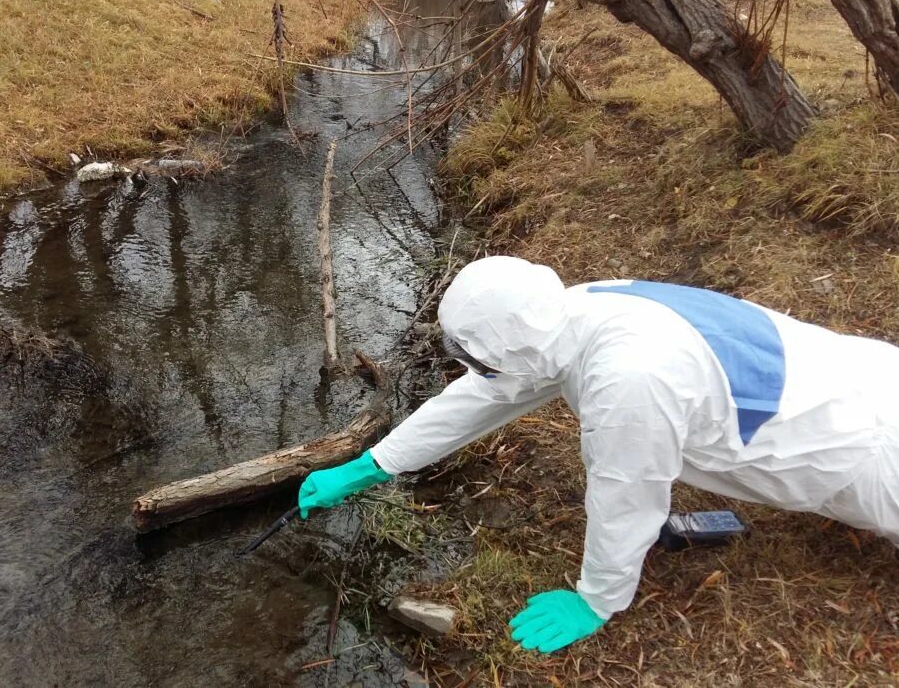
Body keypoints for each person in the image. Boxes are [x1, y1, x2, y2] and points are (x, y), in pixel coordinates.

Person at [297, 256, 899, 653]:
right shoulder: (572, 313)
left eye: (480, 359)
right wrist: (375, 463)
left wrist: (597, 597)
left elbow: (627, 492)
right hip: (866, 374)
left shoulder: (627, 381)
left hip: (865, 452)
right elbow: (489, 392)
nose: (481, 373)